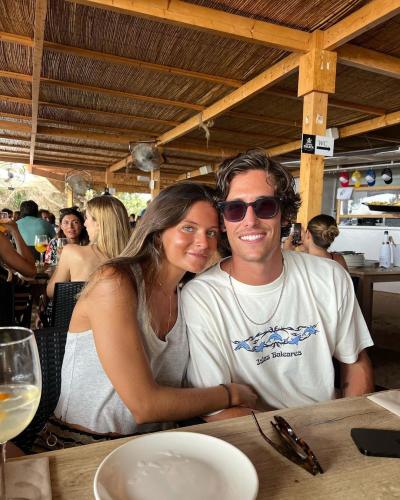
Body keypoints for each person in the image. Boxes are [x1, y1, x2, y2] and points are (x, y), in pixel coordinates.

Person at [36, 182, 256, 450]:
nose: (204, 242)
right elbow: (144, 406)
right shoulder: (115, 282)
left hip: (158, 445)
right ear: (158, 231)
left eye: (211, 232)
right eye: (189, 228)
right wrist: (231, 393)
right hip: (83, 446)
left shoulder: (187, 295)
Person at [182, 149, 374, 419]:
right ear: (223, 221)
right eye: (235, 209)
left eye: (265, 206)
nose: (250, 221)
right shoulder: (201, 296)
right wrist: (289, 439)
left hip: (327, 423)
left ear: (284, 215)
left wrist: (346, 424)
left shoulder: (330, 276)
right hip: (252, 431)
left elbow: (355, 363)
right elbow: (215, 407)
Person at [46, 196, 130, 298]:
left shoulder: (71, 251)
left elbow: (51, 292)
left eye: (87, 218)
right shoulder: (134, 258)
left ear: (99, 223)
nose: (85, 224)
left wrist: (61, 262)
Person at [284, 214, 348, 271]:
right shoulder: (339, 259)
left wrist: (287, 251)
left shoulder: (298, 262)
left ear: (308, 233)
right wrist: (306, 249)